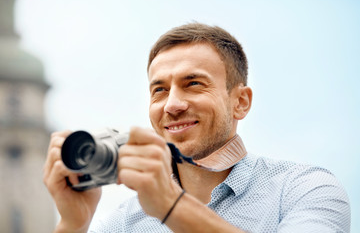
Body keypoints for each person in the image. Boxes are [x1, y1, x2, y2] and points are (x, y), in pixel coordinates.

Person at [43, 23, 351, 232]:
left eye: (193, 84)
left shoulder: (305, 189)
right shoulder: (126, 221)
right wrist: (73, 223)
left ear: (240, 102)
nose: (172, 104)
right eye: (159, 90)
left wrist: (172, 207)